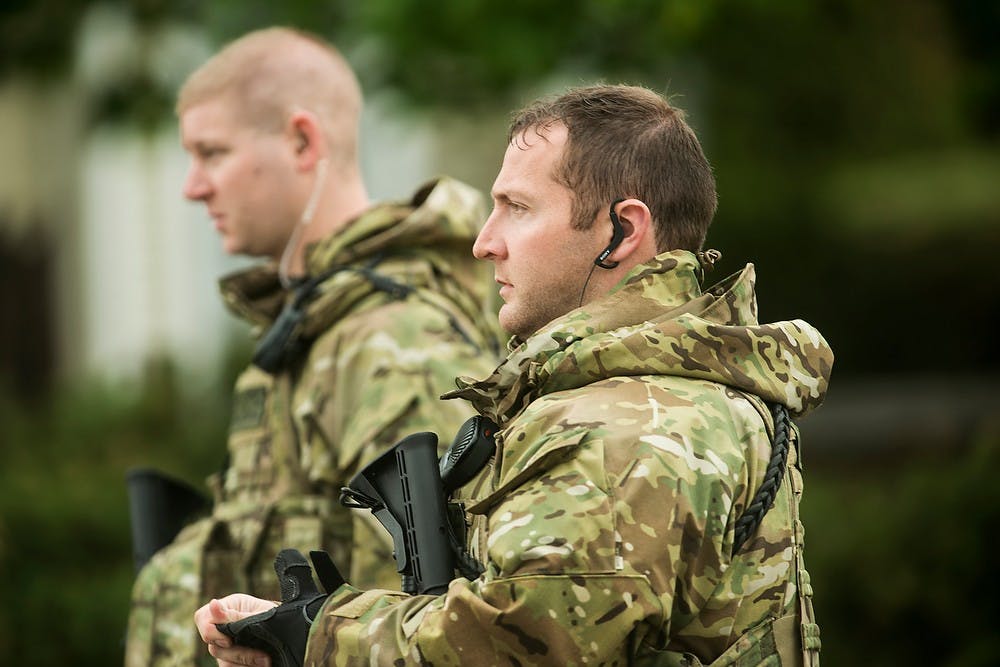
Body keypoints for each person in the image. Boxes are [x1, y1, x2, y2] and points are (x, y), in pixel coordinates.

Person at [195, 84, 834, 666]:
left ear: (623, 230)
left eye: (518, 208)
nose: (485, 241)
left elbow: (525, 640)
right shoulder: (637, 391)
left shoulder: (630, 426)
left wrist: (319, 634)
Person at [124, 27, 501, 667]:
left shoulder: (389, 342)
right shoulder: (313, 330)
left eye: (212, 153)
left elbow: (444, 607)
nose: (193, 186)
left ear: (303, 142)